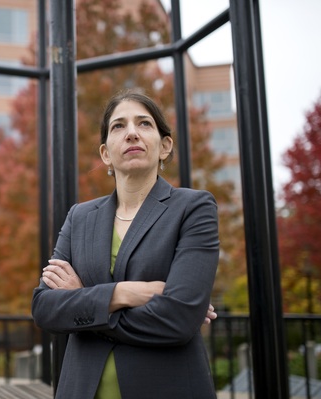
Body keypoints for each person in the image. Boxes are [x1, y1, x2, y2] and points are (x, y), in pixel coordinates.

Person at [31, 89, 220, 399]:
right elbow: (44, 308)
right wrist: (127, 293)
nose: (132, 133)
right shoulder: (80, 217)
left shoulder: (193, 208)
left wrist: (83, 300)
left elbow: (179, 320)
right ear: (106, 153)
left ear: (165, 146)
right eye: (119, 126)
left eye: (144, 124)